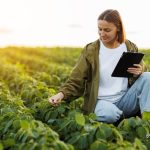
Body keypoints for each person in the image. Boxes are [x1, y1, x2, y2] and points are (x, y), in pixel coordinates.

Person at [49, 9, 150, 123]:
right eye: (100, 29)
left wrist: (140, 71)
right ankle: (126, 119)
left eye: (107, 30)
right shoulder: (91, 50)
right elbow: (76, 79)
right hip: (101, 102)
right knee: (109, 114)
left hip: (124, 99)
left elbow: (141, 70)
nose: (102, 33)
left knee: (148, 77)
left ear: (118, 28)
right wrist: (61, 94)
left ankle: (146, 124)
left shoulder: (129, 46)